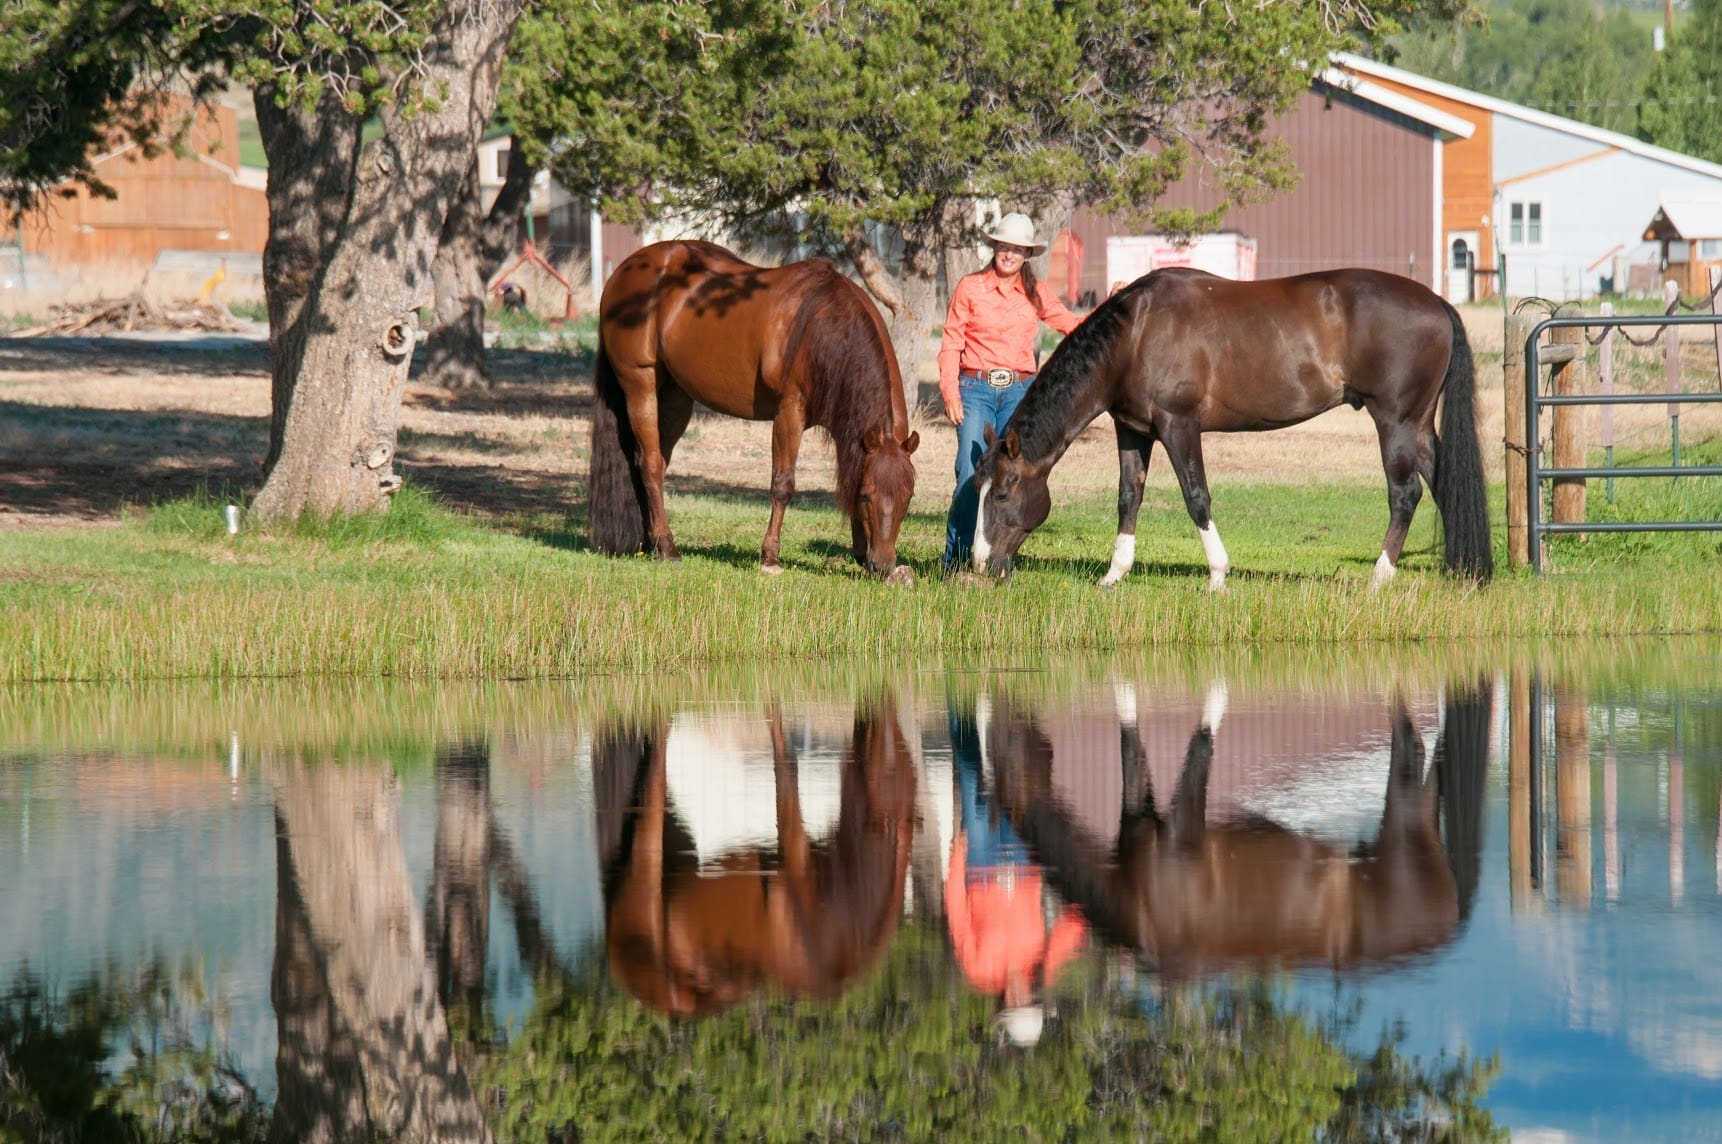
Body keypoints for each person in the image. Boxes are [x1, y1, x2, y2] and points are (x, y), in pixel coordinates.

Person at [938, 213, 1083, 572]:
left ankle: (1000, 559)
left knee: (1015, 475)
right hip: (975, 389)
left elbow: (1071, 324)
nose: (1009, 254)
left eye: (1017, 250)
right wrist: (949, 390)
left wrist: (1113, 306)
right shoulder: (970, 287)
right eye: (1004, 246)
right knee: (969, 470)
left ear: (1026, 255)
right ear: (994, 248)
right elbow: (952, 341)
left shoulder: (1035, 292)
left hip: (1018, 393)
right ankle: (956, 560)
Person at [943, 695, 1087, 1048]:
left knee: (971, 785)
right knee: (1023, 776)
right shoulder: (1044, 965)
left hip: (980, 864)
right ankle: (1015, 704)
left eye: (1016, 1005)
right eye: (1028, 1003)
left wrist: (957, 856)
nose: (1020, 998)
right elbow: (1077, 924)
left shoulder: (978, 971)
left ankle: (958, 703)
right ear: (1037, 998)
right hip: (1024, 863)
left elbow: (957, 915)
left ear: (1004, 1005)